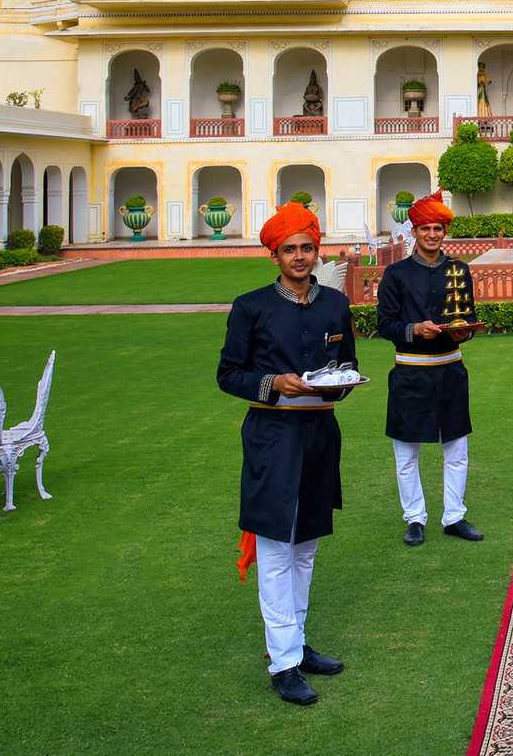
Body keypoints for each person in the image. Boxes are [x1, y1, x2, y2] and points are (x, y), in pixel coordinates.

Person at [218, 201, 359, 705]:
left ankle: (296, 644)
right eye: (289, 249)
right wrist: (273, 383)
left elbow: (348, 365)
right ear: (273, 255)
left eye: (306, 248)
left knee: (308, 546)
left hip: (321, 433)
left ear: (317, 251)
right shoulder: (251, 306)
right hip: (272, 435)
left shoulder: (335, 304)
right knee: (277, 550)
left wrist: (342, 384)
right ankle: (282, 662)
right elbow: (228, 375)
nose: (299, 257)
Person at [374, 192, 482, 547]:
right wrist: (414, 330)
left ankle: (454, 515)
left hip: (450, 370)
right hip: (410, 371)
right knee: (407, 452)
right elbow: (385, 324)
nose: (432, 234)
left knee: (456, 448)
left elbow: (467, 318)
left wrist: (463, 332)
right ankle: (414, 517)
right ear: (415, 231)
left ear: (444, 231)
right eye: (425, 228)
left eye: (438, 228)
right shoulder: (396, 274)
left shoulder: (459, 271)